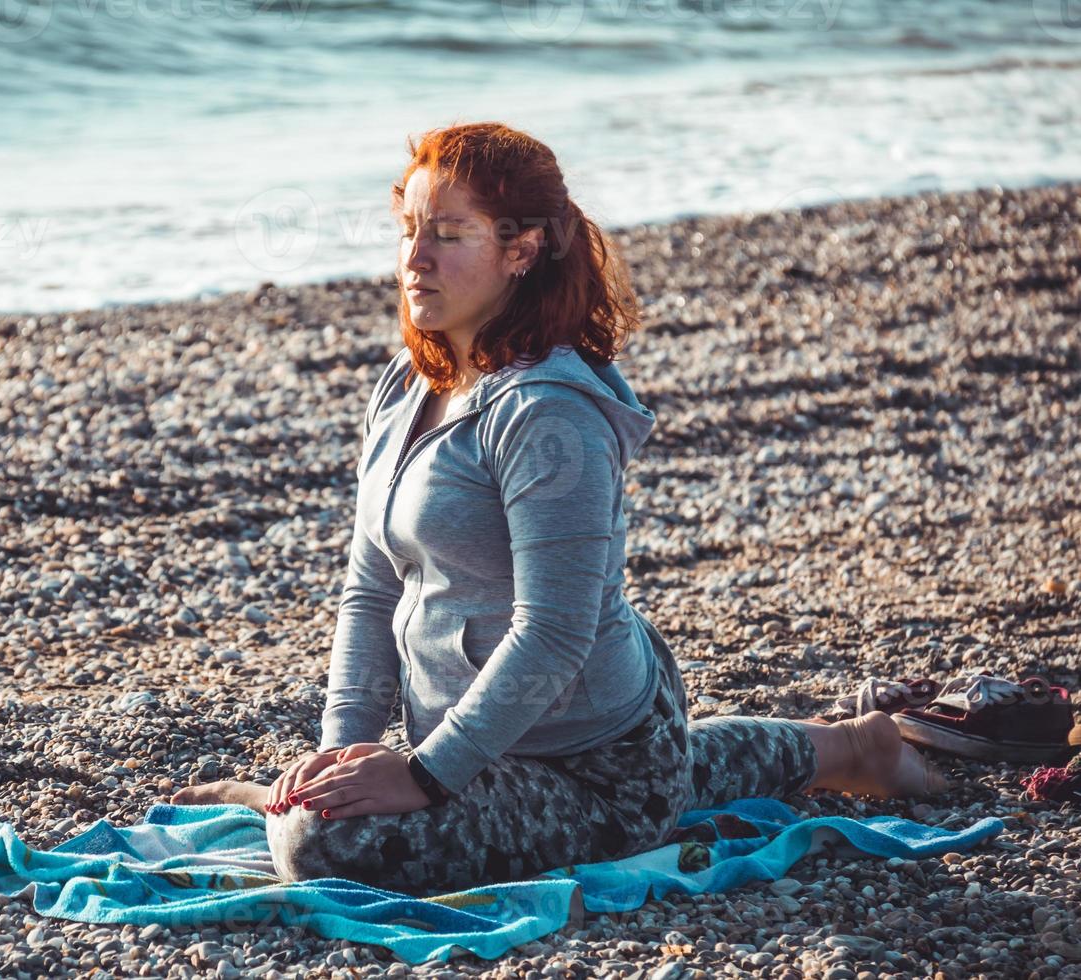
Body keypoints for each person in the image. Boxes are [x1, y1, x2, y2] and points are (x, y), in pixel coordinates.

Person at [171, 122, 949, 896]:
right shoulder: (408, 385)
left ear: (523, 249)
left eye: (448, 233)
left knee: (318, 845)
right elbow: (370, 589)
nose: (416, 257)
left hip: (598, 764)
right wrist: (341, 756)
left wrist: (427, 776)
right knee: (324, 808)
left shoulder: (550, 416)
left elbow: (554, 628)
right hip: (505, 729)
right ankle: (852, 748)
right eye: (408, 230)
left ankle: (802, 758)